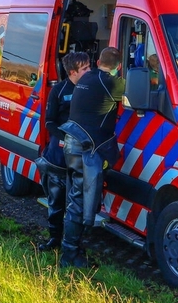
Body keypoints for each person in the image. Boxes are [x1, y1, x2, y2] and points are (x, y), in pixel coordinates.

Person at [58, 46, 125, 268]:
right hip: (86, 145)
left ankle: (72, 247)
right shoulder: (112, 83)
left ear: (97, 62)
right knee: (79, 199)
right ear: (118, 67)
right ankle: (69, 255)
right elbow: (138, 95)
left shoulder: (88, 77)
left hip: (72, 141)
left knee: (76, 196)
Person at [37, 52, 90, 252]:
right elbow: (49, 121)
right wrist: (64, 139)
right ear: (73, 72)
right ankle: (54, 239)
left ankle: (75, 242)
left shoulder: (91, 90)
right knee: (57, 200)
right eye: (85, 68)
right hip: (58, 156)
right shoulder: (59, 91)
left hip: (83, 154)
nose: (89, 71)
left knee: (78, 202)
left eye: (89, 67)